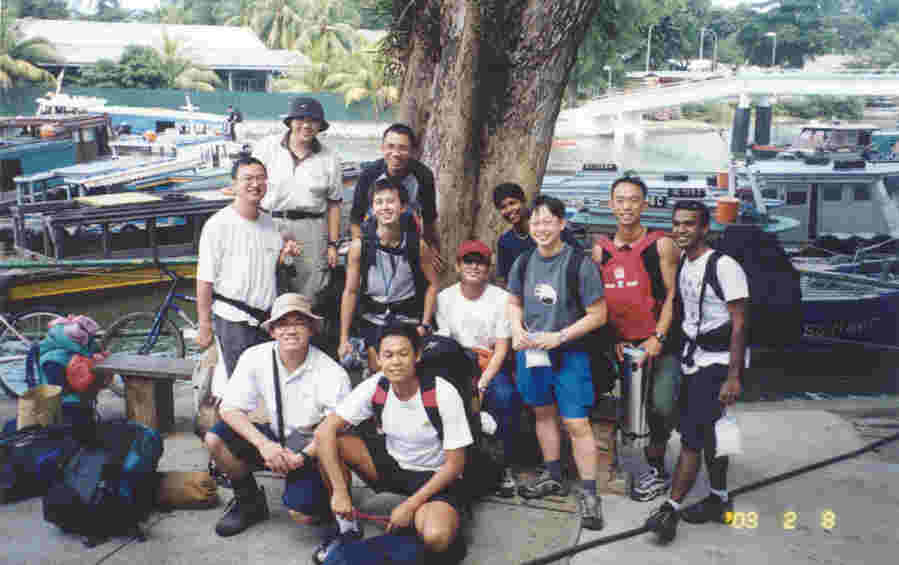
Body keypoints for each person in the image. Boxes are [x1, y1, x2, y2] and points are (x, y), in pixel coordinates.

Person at [314, 324, 472, 564]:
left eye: (403, 354)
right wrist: (340, 492)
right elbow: (325, 431)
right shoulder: (376, 385)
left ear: (417, 356)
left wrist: (410, 505)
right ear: (378, 359)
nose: (395, 362)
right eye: (388, 355)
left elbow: (455, 465)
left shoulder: (442, 393)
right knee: (331, 442)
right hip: (392, 466)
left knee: (436, 536)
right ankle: (346, 529)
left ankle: (422, 537)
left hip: (434, 476)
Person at [204, 293, 351, 537]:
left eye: (299, 323)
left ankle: (330, 501)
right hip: (275, 435)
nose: (290, 330)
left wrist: (302, 456)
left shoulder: (331, 372)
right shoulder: (255, 357)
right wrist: (264, 444)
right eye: (283, 323)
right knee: (214, 439)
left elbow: (338, 428)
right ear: (272, 331)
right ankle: (249, 502)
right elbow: (229, 408)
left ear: (312, 329)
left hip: (310, 441)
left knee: (302, 513)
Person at [646, 200, 747, 543]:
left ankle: (671, 507)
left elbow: (739, 325)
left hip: (717, 364)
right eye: (676, 224)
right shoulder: (686, 265)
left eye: (689, 224)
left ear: (705, 228)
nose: (681, 230)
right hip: (694, 358)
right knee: (711, 434)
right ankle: (718, 498)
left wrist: (733, 377)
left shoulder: (724, 266)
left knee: (691, 437)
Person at [506, 195, 607, 531]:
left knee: (576, 423)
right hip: (533, 353)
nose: (541, 228)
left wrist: (560, 337)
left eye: (548, 221)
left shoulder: (579, 263)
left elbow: (599, 315)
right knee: (543, 413)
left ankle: (590, 492)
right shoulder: (523, 262)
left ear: (562, 224)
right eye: (535, 222)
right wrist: (517, 328)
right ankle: (552, 475)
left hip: (569, 354)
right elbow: (514, 301)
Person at [591, 175, 680, 502]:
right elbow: (600, 300)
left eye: (633, 200)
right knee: (630, 409)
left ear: (644, 204)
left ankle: (656, 459)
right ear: (611, 204)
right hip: (624, 345)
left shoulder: (661, 244)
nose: (626, 206)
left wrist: (658, 336)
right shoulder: (601, 250)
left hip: (659, 341)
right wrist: (612, 338)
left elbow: (674, 296)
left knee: (662, 403)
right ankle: (634, 462)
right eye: (620, 200)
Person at [195, 156, 300, 379]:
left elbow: (270, 267)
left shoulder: (270, 224)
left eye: (261, 178)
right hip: (233, 320)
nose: (255, 184)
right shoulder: (218, 225)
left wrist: (285, 255)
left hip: (267, 321)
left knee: (266, 383)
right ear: (234, 185)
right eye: (248, 178)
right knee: (240, 387)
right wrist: (204, 325)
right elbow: (205, 280)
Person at [435, 239, 522, 498]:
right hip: (456, 361)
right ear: (458, 265)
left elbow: (502, 350)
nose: (474, 267)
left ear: (488, 267)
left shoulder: (502, 298)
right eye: (468, 261)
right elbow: (444, 344)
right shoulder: (444, 297)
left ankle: (503, 467)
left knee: (506, 398)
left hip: (490, 362)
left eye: (480, 262)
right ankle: (448, 464)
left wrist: (482, 384)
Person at [338, 178, 439, 373]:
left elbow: (433, 285)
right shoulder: (360, 246)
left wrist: (425, 325)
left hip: (407, 318)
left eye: (391, 201)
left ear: (403, 207)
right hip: (373, 318)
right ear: (372, 209)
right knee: (372, 366)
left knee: (403, 366)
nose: (385, 207)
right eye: (379, 202)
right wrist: (343, 338)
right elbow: (350, 291)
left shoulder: (416, 245)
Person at [253, 97, 342, 303]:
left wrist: (332, 244)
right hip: (270, 222)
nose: (306, 125)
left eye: (313, 121)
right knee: (265, 282)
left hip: (311, 228)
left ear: (320, 126)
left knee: (309, 289)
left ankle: (305, 332)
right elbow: (250, 185)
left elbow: (334, 203)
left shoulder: (330, 157)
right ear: (290, 121)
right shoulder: (267, 147)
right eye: (300, 119)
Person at [349, 123, 443, 270]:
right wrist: (361, 250)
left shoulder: (423, 175)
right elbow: (356, 218)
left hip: (409, 239)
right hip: (374, 238)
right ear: (382, 148)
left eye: (403, 148)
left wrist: (431, 247)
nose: (396, 153)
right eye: (390, 147)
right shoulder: (369, 174)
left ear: (412, 151)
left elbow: (429, 218)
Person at [493, 183, 582, 288]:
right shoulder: (505, 242)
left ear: (523, 201)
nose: (509, 210)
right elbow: (507, 280)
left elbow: (580, 262)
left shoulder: (551, 228)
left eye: (512, 203)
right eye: (503, 207)